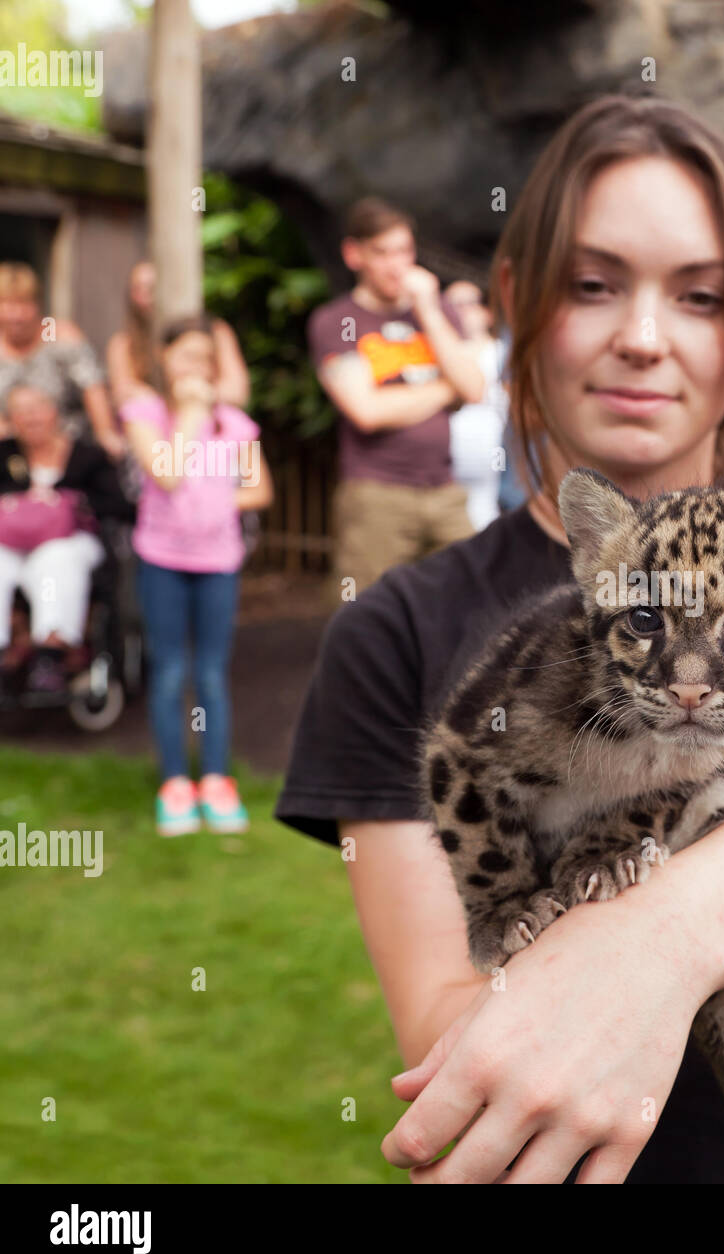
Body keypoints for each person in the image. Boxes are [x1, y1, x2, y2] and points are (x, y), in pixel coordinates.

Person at [274, 94, 724, 1185]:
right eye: (592, 284)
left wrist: (666, 939)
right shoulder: (395, 631)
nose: (644, 338)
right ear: (516, 298)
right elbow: (447, 1025)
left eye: (699, 295)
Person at [120, 315, 274, 837]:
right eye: (186, 355)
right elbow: (165, 473)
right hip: (162, 560)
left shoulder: (235, 424)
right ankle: (174, 783)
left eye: (206, 359)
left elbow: (259, 489)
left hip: (218, 562)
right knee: (169, 672)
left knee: (211, 674)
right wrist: (189, 414)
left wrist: (218, 504)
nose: (197, 367)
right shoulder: (143, 413)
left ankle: (215, 780)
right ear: (162, 359)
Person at [309, 198, 485, 597]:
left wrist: (428, 310)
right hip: (376, 494)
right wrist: (446, 388)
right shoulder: (337, 321)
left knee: (472, 603)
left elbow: (475, 388)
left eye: (404, 251)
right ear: (354, 254)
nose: (396, 265)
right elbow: (367, 411)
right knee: (366, 613)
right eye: (382, 253)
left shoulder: (439, 312)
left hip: (445, 489)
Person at [0, 383, 132, 692]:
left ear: (54, 412)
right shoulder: (5, 455)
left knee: (56, 560)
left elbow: (121, 506)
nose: (31, 418)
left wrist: (73, 503)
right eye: (22, 412)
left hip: (70, 542)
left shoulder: (87, 456)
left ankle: (50, 651)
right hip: (12, 544)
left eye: (37, 409)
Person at [0, 262, 123, 460]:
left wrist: (105, 433)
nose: (18, 315)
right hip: (11, 449)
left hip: (67, 443)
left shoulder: (56, 334)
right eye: (9, 305)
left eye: (24, 304)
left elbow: (92, 386)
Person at [106, 261, 250, 411]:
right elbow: (122, 393)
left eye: (151, 288)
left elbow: (237, 391)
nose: (144, 297)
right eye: (137, 289)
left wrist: (198, 394)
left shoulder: (214, 331)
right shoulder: (124, 344)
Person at [444, 279, 510, 530]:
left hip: (494, 477)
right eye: (451, 304)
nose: (459, 311)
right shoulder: (433, 353)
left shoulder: (505, 355)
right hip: (440, 477)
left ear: (487, 312)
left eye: (468, 304)